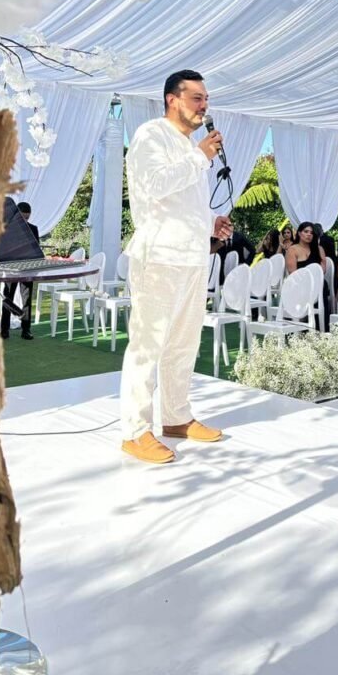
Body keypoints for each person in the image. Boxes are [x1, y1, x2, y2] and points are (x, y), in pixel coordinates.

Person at [120, 69, 233, 465]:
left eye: (206, 99)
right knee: (147, 344)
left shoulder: (189, 146)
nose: (205, 105)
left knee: (184, 342)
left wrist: (211, 221)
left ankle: (176, 417)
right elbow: (153, 185)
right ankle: (136, 431)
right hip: (159, 256)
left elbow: (183, 203)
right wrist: (199, 156)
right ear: (173, 99)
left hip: (192, 256)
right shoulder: (152, 135)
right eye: (197, 98)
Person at [0, 200, 39, 341]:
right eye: (23, 217)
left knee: (27, 300)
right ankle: (4, 330)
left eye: (27, 218)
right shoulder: (7, 230)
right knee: (7, 299)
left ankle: (26, 330)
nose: (25, 221)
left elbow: (36, 251)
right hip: (11, 270)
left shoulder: (34, 229)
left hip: (27, 271)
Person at [285, 221, 329, 329]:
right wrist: (306, 281)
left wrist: (315, 278)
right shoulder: (292, 249)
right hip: (299, 284)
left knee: (322, 284)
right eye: (306, 231)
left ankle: (321, 326)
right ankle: (305, 324)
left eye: (311, 232)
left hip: (317, 282)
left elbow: (323, 268)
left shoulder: (318, 249)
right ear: (299, 233)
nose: (309, 234)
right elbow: (293, 273)